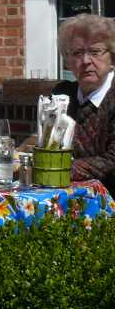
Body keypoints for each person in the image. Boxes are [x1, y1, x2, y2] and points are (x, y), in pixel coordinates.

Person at [51, 14, 115, 189]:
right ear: (67, 62)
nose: (86, 61)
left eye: (95, 52)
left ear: (112, 58)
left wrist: (58, 169)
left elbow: (112, 160)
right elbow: (50, 145)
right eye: (77, 53)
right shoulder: (63, 95)